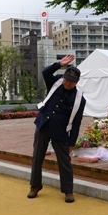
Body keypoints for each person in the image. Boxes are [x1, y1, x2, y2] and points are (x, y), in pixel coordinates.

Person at [27, 54, 86, 203]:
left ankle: (68, 191)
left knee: (64, 161)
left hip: (61, 130)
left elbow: (77, 122)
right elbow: (45, 72)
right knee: (37, 157)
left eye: (71, 82)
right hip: (43, 125)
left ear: (77, 82)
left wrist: (72, 142)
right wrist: (60, 64)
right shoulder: (55, 83)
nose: (67, 83)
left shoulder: (79, 99)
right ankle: (35, 186)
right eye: (66, 79)